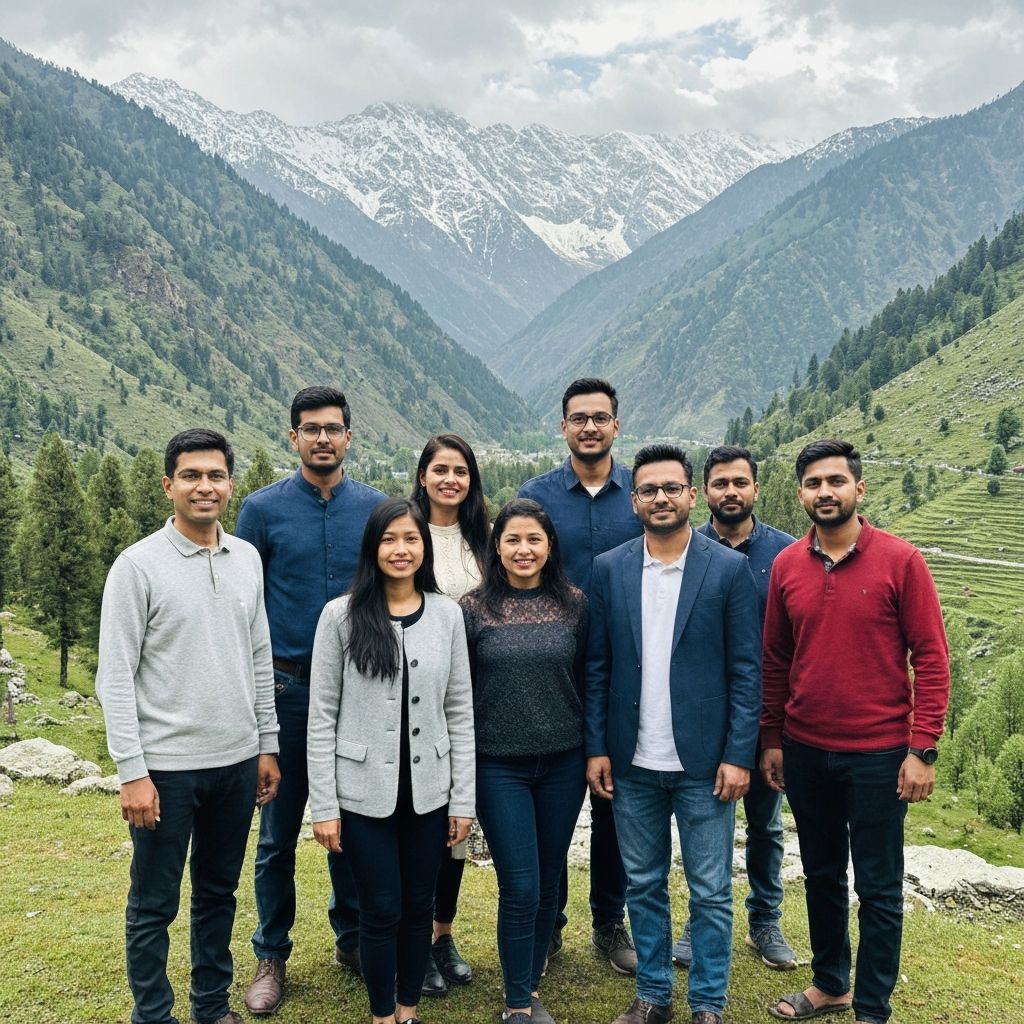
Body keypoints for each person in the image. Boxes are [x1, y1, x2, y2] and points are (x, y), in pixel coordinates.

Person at [760, 439, 950, 1024]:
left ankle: (872, 1005)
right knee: (820, 874)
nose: (825, 492)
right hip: (806, 749)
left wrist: (922, 748)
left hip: (879, 753)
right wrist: (772, 737)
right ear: (800, 494)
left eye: (836, 481)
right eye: (814, 483)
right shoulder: (788, 565)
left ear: (858, 489)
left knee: (879, 886)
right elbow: (775, 660)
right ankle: (830, 984)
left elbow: (933, 659)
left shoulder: (901, 561)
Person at [96, 428, 280, 1024]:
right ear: (168, 484)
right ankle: (153, 1014)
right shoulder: (137, 567)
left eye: (216, 476)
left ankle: (210, 1007)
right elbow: (115, 676)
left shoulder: (246, 557)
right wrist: (132, 772)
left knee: (217, 896)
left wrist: (266, 746)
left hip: (233, 762)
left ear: (230, 483)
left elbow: (259, 658)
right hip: (164, 770)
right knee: (154, 903)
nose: (206, 487)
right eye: (192, 476)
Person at [585, 444, 762, 1024]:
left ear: (691, 494)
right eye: (648, 489)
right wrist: (597, 749)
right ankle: (654, 996)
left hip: (705, 764)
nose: (660, 498)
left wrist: (740, 755)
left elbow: (745, 670)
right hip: (632, 761)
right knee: (643, 884)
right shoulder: (610, 568)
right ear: (634, 500)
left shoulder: (728, 570)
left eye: (671, 488)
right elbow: (599, 667)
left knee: (711, 891)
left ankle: (708, 1003)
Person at [239, 385, 385, 1015]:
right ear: (292, 436)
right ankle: (271, 954)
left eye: (333, 428)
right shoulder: (261, 510)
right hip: (286, 686)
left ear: (351, 436)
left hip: (362, 689)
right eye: (310, 428)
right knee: (278, 832)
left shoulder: (378, 509)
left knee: (352, 823)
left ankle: (352, 939)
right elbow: (243, 607)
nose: (322, 438)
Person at [307, 498, 476, 1024]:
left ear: (424, 547)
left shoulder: (447, 613)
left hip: (431, 791)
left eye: (411, 539)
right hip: (362, 795)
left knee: (417, 908)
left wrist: (463, 799)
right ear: (372, 547)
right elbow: (321, 717)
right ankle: (382, 1014)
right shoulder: (341, 615)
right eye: (389, 539)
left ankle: (408, 1010)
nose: (400, 550)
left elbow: (460, 711)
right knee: (379, 910)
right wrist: (324, 806)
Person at [518, 377, 641, 975]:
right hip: (550, 666)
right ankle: (549, 922)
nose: (589, 427)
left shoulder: (638, 496)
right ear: (562, 427)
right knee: (552, 803)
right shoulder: (536, 497)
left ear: (617, 425)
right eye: (577, 418)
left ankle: (608, 919)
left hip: (626, 667)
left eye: (600, 418)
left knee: (612, 800)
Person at [461, 498, 589, 1024]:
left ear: (550, 545)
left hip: (563, 762)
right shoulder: (472, 609)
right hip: (498, 765)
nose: (523, 549)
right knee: (521, 883)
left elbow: (587, 678)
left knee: (549, 878)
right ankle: (517, 1005)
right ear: (497, 547)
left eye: (534, 539)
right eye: (512, 539)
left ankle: (529, 982)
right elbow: (459, 693)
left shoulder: (575, 604)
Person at [672, 446, 797, 972]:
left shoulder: (787, 555)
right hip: (703, 717)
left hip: (768, 716)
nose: (730, 491)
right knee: (705, 826)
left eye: (739, 482)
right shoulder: (685, 550)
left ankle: (764, 918)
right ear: (705, 491)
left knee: (766, 825)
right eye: (720, 482)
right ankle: (700, 921)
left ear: (755, 489)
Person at [410, 434, 489, 996]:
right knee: (421, 822)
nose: (450, 480)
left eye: (460, 471)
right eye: (440, 470)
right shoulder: (404, 534)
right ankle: (412, 940)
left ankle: (442, 934)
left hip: (476, 698)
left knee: (456, 831)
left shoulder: (483, 541)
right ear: (422, 476)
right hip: (417, 700)